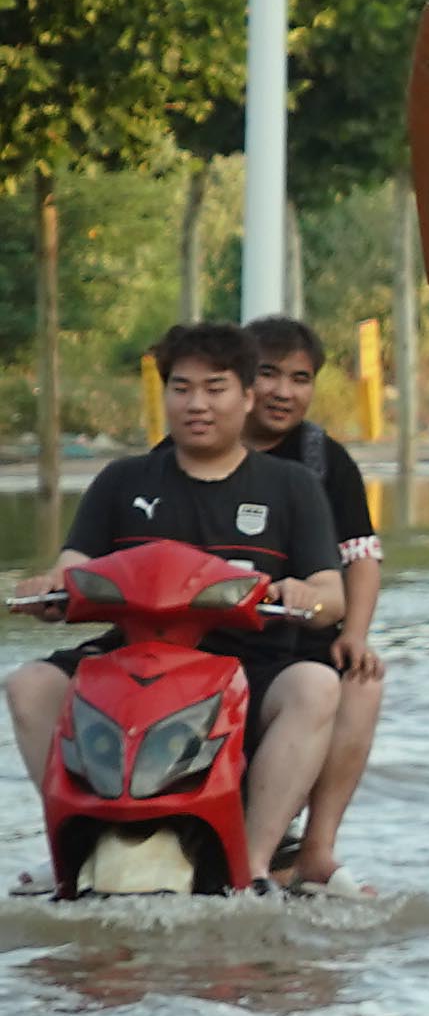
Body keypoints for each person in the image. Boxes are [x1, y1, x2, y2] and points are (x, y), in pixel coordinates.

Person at [9, 324, 346, 890]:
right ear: (164, 396)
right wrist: (46, 590)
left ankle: (255, 864)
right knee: (27, 685)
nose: (197, 404)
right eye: (181, 388)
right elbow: (73, 570)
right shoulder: (123, 480)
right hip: (128, 659)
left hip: (246, 668)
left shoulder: (291, 486)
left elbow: (331, 593)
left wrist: (307, 594)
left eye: (215, 389)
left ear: (246, 397)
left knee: (316, 686)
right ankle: (68, 849)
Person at [238, 313, 382, 884]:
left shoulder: (324, 461)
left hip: (302, 635)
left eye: (300, 379)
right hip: (211, 637)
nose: (282, 391)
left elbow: (361, 556)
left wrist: (355, 636)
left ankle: (315, 850)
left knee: (362, 682)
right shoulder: (181, 452)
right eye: (268, 374)